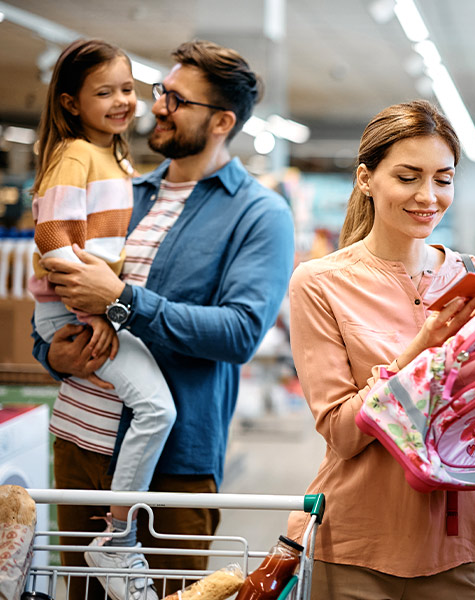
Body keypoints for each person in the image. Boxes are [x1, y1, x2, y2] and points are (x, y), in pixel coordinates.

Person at [32, 40, 294, 600]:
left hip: (171, 467)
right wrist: (50, 354)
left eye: (176, 99)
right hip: (78, 442)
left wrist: (123, 300)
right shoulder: (127, 190)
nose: (156, 106)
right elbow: (58, 295)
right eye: (161, 91)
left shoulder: (258, 214)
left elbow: (240, 331)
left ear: (222, 121)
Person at [286, 100, 475, 598]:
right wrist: (421, 350)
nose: (428, 196)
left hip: (451, 549)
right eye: (408, 177)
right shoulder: (320, 283)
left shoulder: (474, 278)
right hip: (353, 545)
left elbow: (469, 422)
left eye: (443, 179)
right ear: (366, 179)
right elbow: (342, 433)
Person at [28, 38, 177, 600]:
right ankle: (115, 537)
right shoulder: (74, 155)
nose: (122, 101)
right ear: (70, 103)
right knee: (157, 407)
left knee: (153, 407)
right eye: (104, 92)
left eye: (128, 89)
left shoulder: (113, 154)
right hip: (70, 314)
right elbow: (51, 239)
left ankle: (115, 534)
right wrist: (96, 311)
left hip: (88, 310)